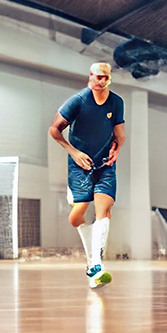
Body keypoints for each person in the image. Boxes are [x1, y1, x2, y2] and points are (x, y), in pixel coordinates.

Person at [49, 63, 125, 287]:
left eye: (106, 78)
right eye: (98, 77)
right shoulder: (77, 101)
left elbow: (120, 133)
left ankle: (96, 266)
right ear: (90, 77)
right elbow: (54, 130)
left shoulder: (116, 102)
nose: (101, 81)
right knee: (76, 216)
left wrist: (116, 150)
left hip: (104, 165)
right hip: (79, 166)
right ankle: (92, 261)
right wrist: (73, 152)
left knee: (104, 210)